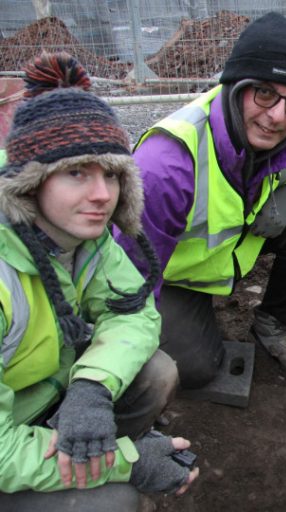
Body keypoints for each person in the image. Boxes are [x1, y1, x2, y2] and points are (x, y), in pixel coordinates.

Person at [0, 53, 198, 510]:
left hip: (43, 401)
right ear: (31, 183)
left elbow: (135, 313)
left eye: (111, 174)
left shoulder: (80, 235)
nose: (103, 195)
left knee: (157, 371)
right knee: (114, 500)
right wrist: (128, 462)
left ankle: (89, 444)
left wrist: (90, 389)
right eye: (76, 173)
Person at [114, 12, 286, 388]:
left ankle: (273, 325)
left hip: (238, 247)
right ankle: (185, 319)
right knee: (193, 369)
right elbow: (127, 276)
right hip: (173, 276)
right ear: (236, 85)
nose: (277, 116)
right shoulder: (167, 164)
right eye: (265, 93)